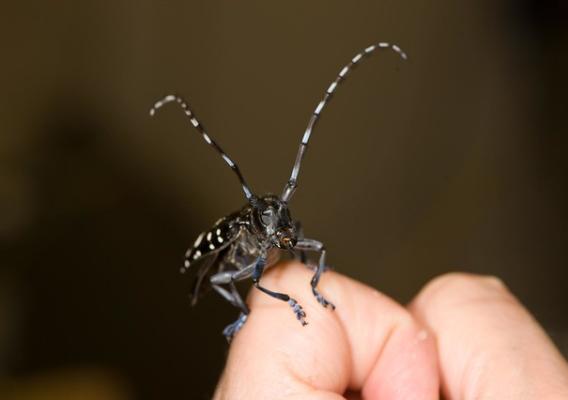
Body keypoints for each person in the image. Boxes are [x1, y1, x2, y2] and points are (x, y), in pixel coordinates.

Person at [213, 262, 568, 399]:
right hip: (229, 275)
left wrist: (314, 286)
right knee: (263, 280)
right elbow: (255, 280)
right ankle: (246, 314)